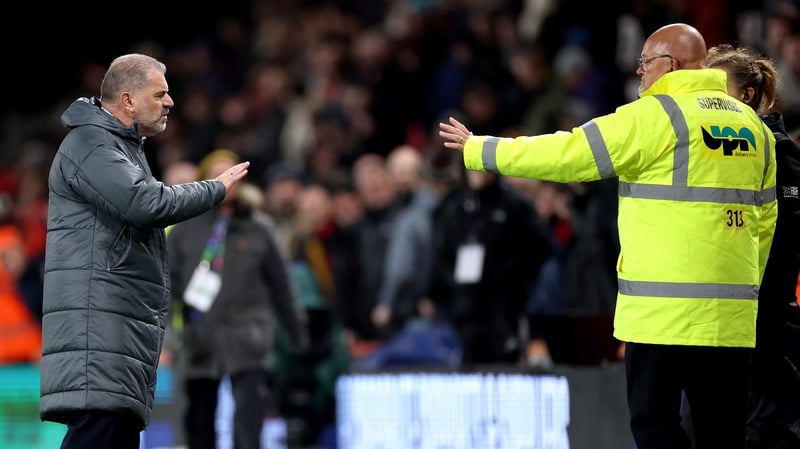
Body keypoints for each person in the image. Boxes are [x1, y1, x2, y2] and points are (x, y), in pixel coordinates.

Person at [439, 23, 778, 449]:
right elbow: (765, 224)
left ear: (671, 65)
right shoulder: (754, 128)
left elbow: (568, 154)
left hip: (663, 318)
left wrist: (481, 149)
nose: (639, 71)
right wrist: (744, 290)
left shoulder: (654, 117)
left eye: (645, 62)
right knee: (723, 435)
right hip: (731, 320)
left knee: (654, 423)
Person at [39, 53, 250, 449]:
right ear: (128, 100)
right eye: (160, 94)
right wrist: (215, 188)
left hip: (115, 323)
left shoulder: (120, 146)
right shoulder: (90, 144)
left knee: (113, 428)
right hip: (99, 325)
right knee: (99, 426)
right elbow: (146, 203)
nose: (169, 102)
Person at [166, 149, 309, 449]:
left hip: (249, 341)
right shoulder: (184, 229)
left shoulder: (259, 228)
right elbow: (166, 288)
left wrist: (298, 336)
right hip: (199, 343)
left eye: (232, 176)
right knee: (199, 427)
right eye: (217, 175)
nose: (226, 182)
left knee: (248, 427)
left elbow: (282, 287)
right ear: (203, 181)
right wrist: (167, 338)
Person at [706, 43, 800, 449]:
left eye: (716, 90)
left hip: (766, 320)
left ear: (746, 95)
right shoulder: (714, 152)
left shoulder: (778, 152)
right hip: (728, 320)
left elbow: (785, 242)